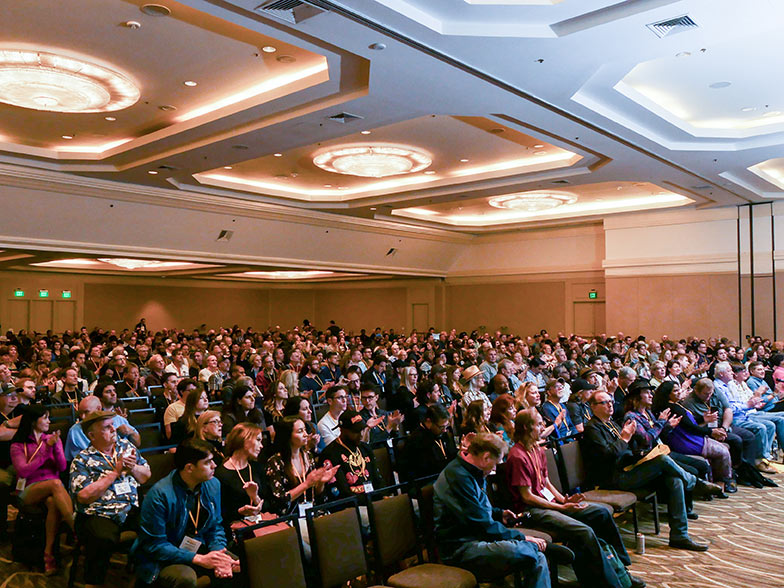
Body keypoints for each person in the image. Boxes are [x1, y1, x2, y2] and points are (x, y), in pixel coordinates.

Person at [507, 409, 645, 588]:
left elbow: (546, 482)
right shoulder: (517, 455)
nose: (543, 427)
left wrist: (563, 500)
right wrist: (561, 508)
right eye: (539, 423)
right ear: (526, 427)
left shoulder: (537, 448)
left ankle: (621, 567)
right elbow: (527, 497)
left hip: (549, 504)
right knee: (584, 531)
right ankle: (613, 583)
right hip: (531, 511)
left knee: (601, 512)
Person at [580, 391, 709, 551]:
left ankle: (679, 536)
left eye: (611, 401)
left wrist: (640, 454)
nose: (610, 405)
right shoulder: (592, 429)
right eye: (604, 402)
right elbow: (609, 456)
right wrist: (625, 439)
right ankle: (694, 482)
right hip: (613, 479)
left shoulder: (611, 423)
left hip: (628, 469)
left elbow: (628, 450)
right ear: (593, 406)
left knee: (673, 480)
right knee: (662, 460)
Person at [433, 432, 551, 587]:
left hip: (477, 537)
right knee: (528, 552)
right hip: (460, 548)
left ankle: (535, 549)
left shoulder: (471, 470)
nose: (495, 468)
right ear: (486, 457)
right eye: (495, 463)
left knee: (535, 556)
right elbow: (480, 524)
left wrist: (498, 513)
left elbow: (477, 509)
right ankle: (538, 548)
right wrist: (520, 537)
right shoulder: (458, 477)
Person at [131, 438, 238, 587]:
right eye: (208, 462)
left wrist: (218, 551)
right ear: (189, 468)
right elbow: (155, 545)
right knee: (185, 578)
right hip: (161, 558)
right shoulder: (159, 495)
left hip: (198, 547)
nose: (214, 466)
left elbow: (215, 526)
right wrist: (198, 559)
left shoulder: (213, 484)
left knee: (236, 564)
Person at [69, 411, 151, 588]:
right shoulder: (82, 460)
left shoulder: (126, 447)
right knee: (101, 538)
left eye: (112, 425)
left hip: (131, 509)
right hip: (98, 513)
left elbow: (146, 476)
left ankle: (144, 576)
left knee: (157, 524)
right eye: (107, 427)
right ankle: (94, 581)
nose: (114, 429)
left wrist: (133, 468)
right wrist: (115, 472)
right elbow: (83, 496)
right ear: (92, 435)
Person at [10, 404, 75, 574]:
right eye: (45, 417)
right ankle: (77, 529)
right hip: (29, 489)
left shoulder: (52, 439)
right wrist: (46, 449)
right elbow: (24, 470)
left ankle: (48, 554)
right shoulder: (18, 445)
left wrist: (54, 446)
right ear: (33, 421)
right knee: (56, 484)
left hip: (53, 489)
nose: (49, 421)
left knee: (53, 502)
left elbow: (61, 467)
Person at [650, 381, 734, 493]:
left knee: (725, 447)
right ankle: (723, 483)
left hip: (689, 437)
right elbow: (690, 427)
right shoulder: (671, 408)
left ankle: (719, 482)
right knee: (722, 451)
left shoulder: (675, 405)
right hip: (685, 441)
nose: (679, 392)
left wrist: (704, 420)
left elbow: (689, 423)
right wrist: (710, 432)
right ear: (667, 394)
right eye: (675, 390)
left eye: (679, 389)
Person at [265, 416, 337, 515]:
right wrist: (306, 484)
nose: (306, 435)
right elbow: (280, 500)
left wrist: (321, 482)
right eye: (300, 431)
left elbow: (317, 495)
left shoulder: (308, 456)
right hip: (290, 516)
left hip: (312, 511)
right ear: (288, 436)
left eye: (305, 430)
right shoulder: (275, 462)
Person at [214, 423, 267, 534]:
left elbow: (271, 504)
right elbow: (220, 514)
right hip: (238, 531)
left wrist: (255, 498)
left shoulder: (257, 467)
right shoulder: (220, 475)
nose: (261, 446)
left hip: (262, 526)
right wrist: (240, 512)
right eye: (258, 440)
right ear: (244, 440)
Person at [320, 410, 383, 498]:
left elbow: (377, 479)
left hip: (374, 499)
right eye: (356, 432)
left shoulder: (365, 448)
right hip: (352, 505)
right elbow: (342, 492)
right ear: (343, 430)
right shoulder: (330, 453)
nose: (361, 435)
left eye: (362, 430)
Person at [399, 404, 457, 482]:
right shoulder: (416, 440)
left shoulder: (442, 433)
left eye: (446, 426)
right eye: (441, 427)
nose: (444, 430)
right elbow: (427, 468)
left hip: (444, 476)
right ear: (429, 421)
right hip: (428, 481)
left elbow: (449, 455)